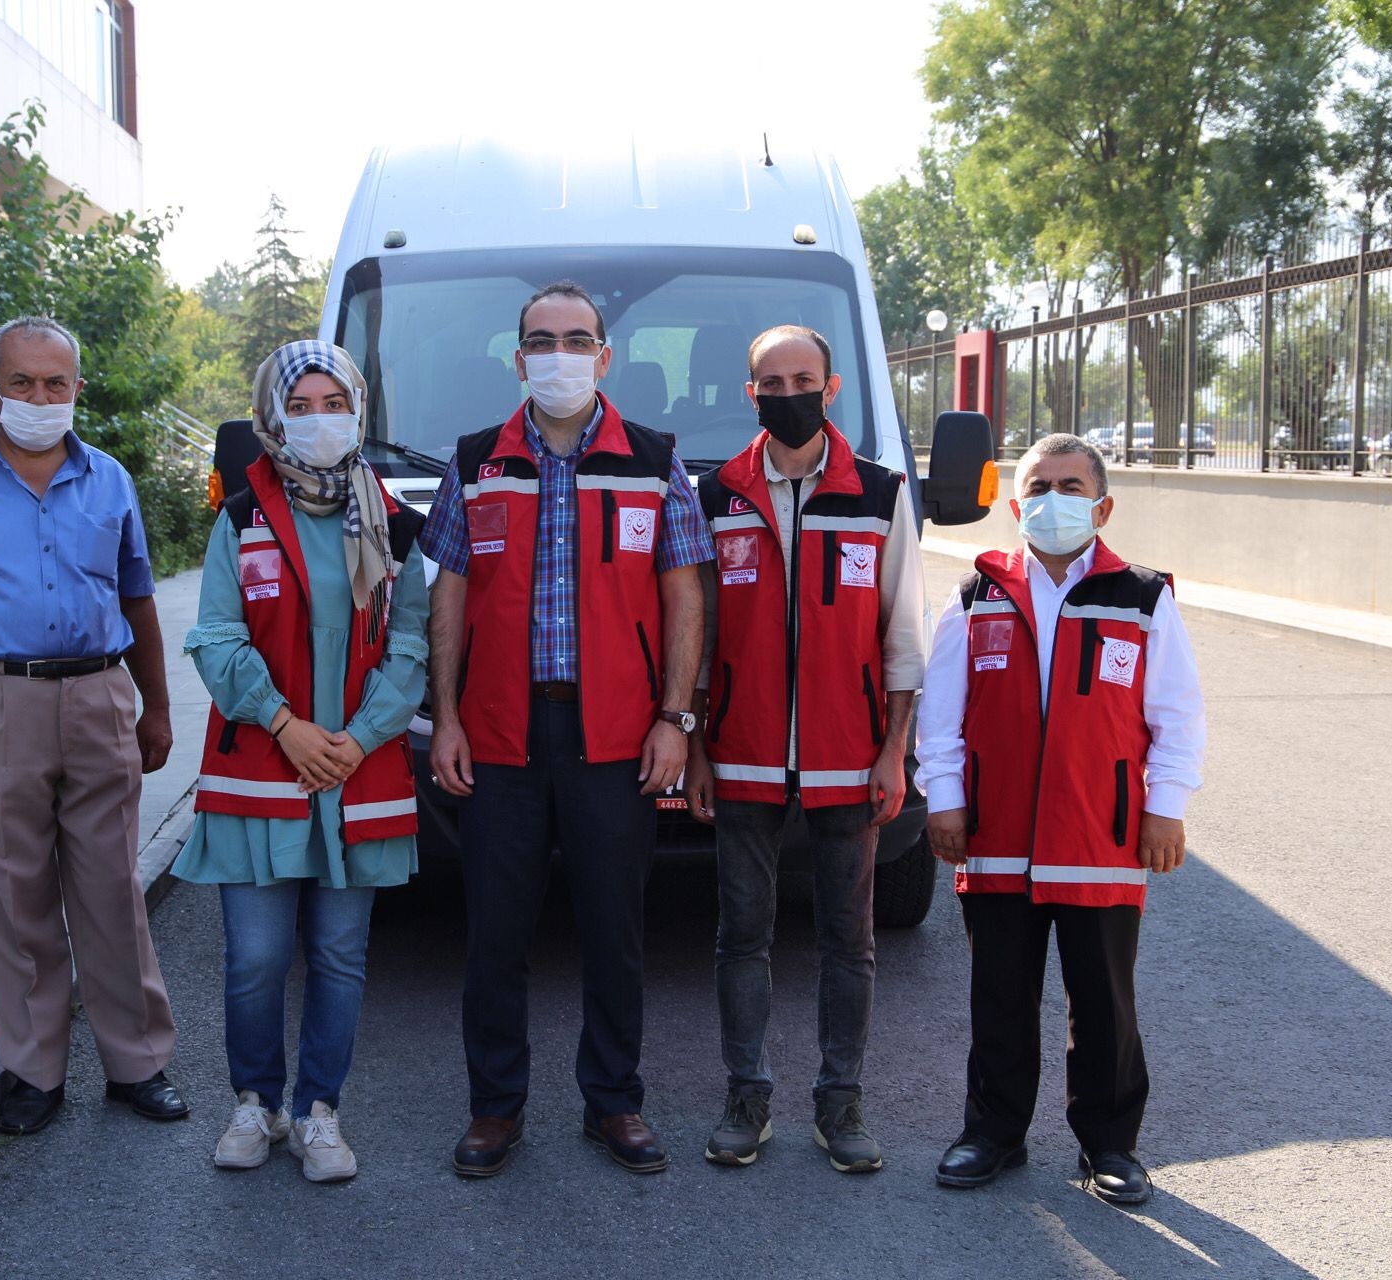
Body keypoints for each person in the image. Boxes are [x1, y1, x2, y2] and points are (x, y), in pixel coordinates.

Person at [421, 280, 712, 1177]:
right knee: (496, 934)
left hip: (619, 739)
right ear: (518, 360)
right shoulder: (475, 462)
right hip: (502, 737)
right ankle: (494, 1109)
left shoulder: (654, 460)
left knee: (614, 929)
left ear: (604, 356)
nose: (560, 354)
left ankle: (614, 1103)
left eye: (576, 339)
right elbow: (448, 598)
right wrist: (447, 718)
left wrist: (676, 721)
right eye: (542, 340)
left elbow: (685, 598)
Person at [0, 315, 186, 1136]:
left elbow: (138, 600)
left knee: (112, 891)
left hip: (98, 696)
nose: (40, 398)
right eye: (22, 383)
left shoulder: (110, 479)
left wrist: (157, 707)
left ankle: (137, 1062)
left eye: (56, 384)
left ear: (78, 389)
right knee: (15, 896)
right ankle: (33, 1071)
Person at [916, 432, 1205, 1206]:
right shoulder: (977, 595)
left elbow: (1176, 715)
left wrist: (1164, 810)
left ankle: (1110, 1146)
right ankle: (992, 1133)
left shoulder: (1142, 596)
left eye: (1072, 487)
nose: (1054, 500)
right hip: (999, 837)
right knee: (999, 996)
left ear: (1102, 505)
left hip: (1099, 838)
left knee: (1103, 1003)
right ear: (1016, 506)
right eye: (1040, 486)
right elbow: (941, 716)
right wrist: (944, 799)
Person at [172, 340, 429, 1183]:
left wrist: (354, 739)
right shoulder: (242, 518)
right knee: (253, 959)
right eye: (303, 404)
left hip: (357, 771)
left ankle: (321, 1111)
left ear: (359, 410)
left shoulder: (393, 524)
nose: (321, 419)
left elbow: (412, 647)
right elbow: (214, 635)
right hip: (263, 766)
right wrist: (286, 725)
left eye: (336, 402)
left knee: (340, 956)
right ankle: (256, 1102)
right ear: (272, 419)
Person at [683, 325, 926, 1173]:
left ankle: (841, 1102)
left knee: (848, 942)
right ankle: (746, 1097)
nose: (789, 392)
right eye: (771, 380)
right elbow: (699, 636)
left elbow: (903, 635)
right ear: (751, 393)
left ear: (831, 389)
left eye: (804, 378)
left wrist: (895, 750)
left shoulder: (879, 493)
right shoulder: (715, 495)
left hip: (850, 758)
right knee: (739, 936)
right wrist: (697, 746)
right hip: (741, 756)